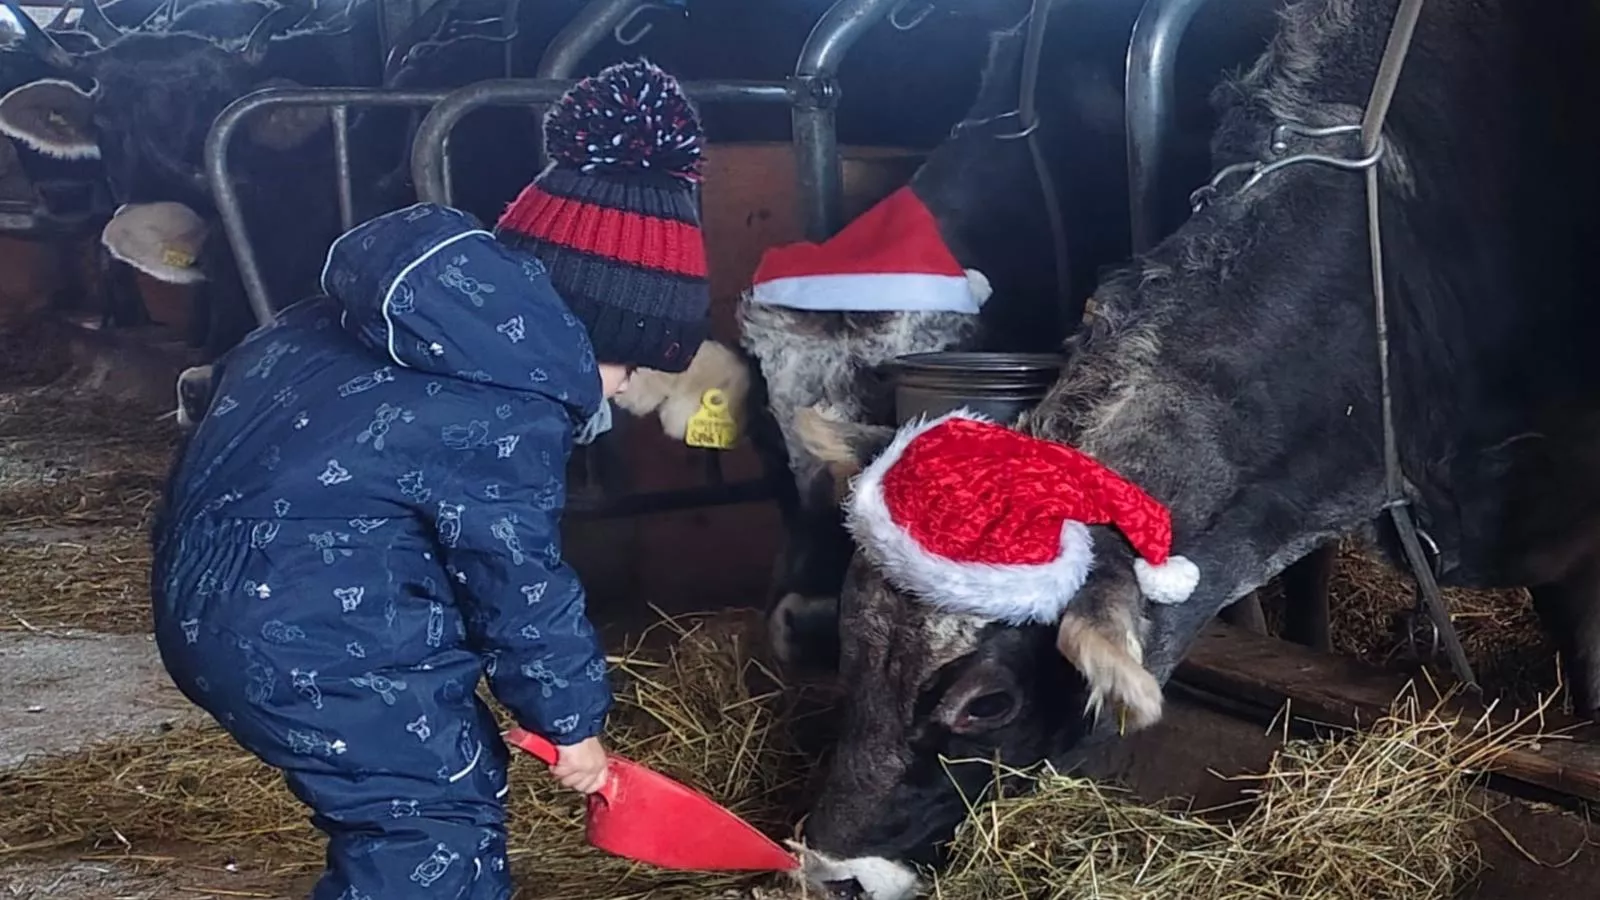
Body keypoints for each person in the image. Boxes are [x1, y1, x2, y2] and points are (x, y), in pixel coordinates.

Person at [149, 58, 709, 899]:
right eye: (629, 363)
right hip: (311, 634)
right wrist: (572, 724)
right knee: (429, 819)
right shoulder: (507, 400)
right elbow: (517, 579)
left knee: (425, 780)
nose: (628, 388)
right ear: (583, 330)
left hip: (216, 597)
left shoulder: (348, 322)